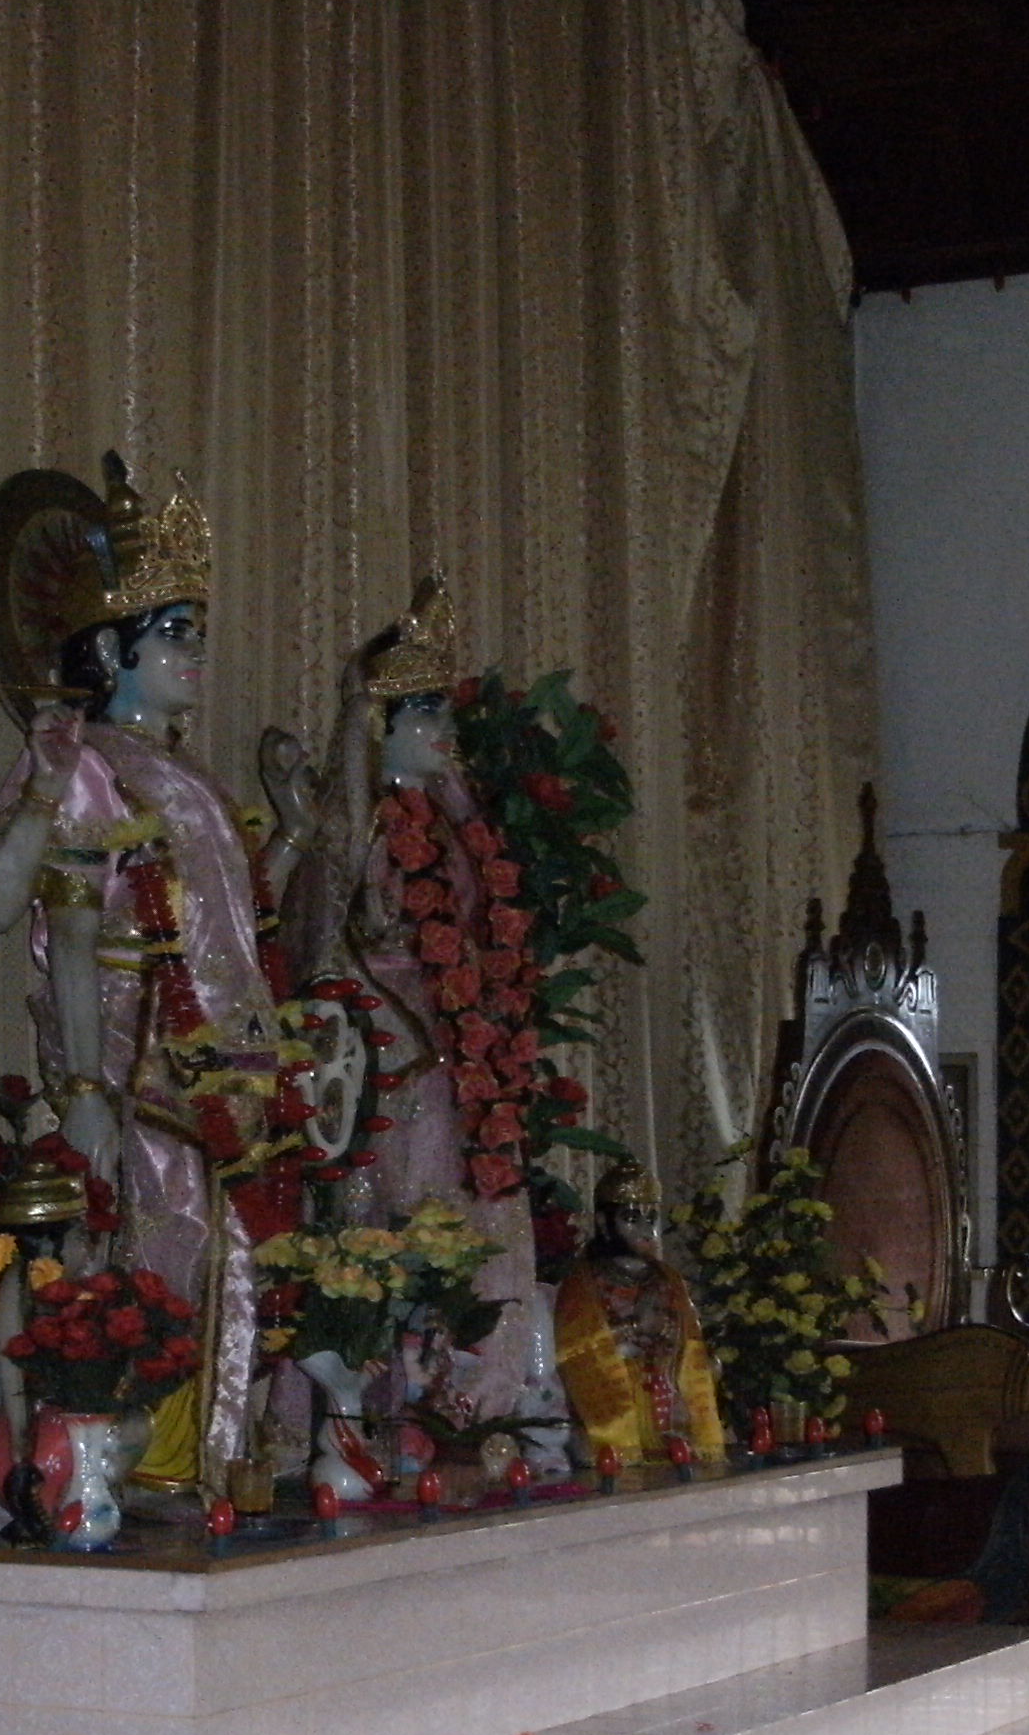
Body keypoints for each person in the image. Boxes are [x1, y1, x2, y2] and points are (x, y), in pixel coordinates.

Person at [0, 456, 306, 1499]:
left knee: (232, 1263)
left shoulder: (187, 777)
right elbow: (18, 913)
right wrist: (80, 1093)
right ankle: (134, 1471)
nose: (195, 654)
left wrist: (290, 832)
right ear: (111, 649)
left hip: (224, 1060)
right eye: (174, 634)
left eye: (198, 631)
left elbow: (235, 928)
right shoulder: (86, 763)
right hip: (129, 1053)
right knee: (165, 1246)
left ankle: (207, 1463)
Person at [279, 576, 540, 1424]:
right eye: (422, 714)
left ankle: (462, 1406)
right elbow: (319, 947)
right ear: (379, 728)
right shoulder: (354, 828)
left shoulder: (461, 826)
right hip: (392, 1064)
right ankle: (378, 1412)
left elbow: (484, 939)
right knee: (388, 1227)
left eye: (443, 713)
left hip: (460, 1061)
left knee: (463, 1222)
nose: (443, 732)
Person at [554, 1159, 724, 1463]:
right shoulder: (584, 1283)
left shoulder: (668, 1278)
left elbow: (692, 1350)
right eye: (632, 1218)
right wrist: (634, 1327)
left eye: (652, 1218)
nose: (647, 1230)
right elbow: (574, 1356)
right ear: (605, 1223)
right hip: (615, 1414)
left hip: (669, 1408)